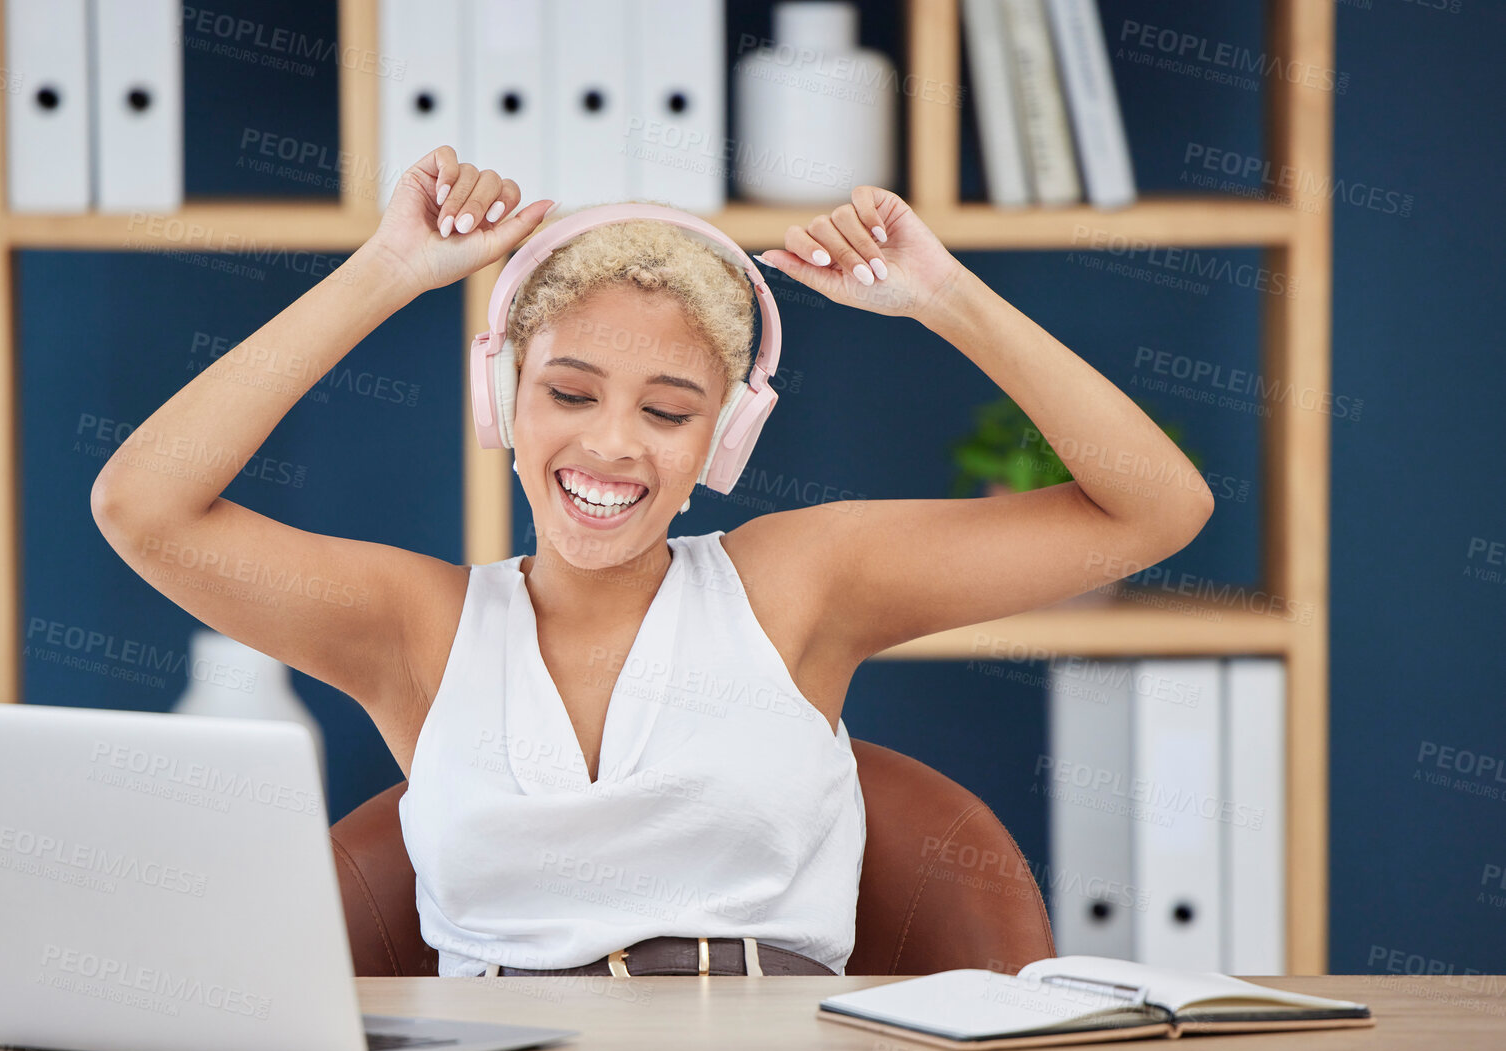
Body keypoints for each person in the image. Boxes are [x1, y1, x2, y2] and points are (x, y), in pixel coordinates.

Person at [91, 145, 1214, 979]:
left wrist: (945, 297)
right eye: (569, 392)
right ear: (503, 399)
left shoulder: (797, 582)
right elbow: (142, 507)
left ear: (723, 442)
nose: (613, 445)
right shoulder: (416, 627)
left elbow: (1155, 509)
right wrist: (386, 269)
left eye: (670, 412)